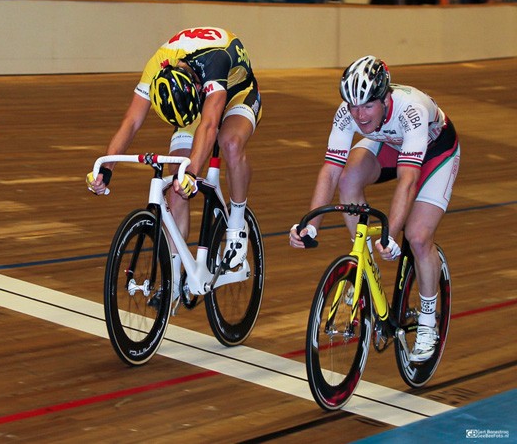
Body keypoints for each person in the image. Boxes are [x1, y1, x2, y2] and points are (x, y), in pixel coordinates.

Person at [289, 55, 461, 363]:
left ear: (384, 98)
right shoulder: (347, 113)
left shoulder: (412, 111)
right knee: (348, 177)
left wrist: (391, 235)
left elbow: (408, 181)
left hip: (436, 151)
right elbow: (330, 170)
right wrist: (310, 222)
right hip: (390, 145)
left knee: (419, 237)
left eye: (367, 106)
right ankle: (365, 268)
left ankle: (426, 322)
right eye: (353, 106)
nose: (359, 115)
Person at [86, 27, 262, 300]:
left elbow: (210, 124)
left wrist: (192, 171)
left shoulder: (213, 60)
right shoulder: (157, 66)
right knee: (176, 185)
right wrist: (107, 168)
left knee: (230, 143)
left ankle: (237, 221)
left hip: (238, 91)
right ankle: (175, 276)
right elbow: (131, 122)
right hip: (196, 99)